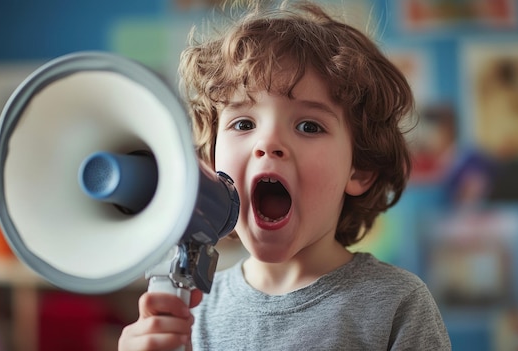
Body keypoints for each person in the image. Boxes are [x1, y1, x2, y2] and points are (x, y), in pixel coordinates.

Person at [119, 0, 451, 350]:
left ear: (361, 169)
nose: (268, 143)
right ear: (211, 160)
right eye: (243, 123)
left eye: (309, 126)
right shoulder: (194, 314)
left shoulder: (397, 305)